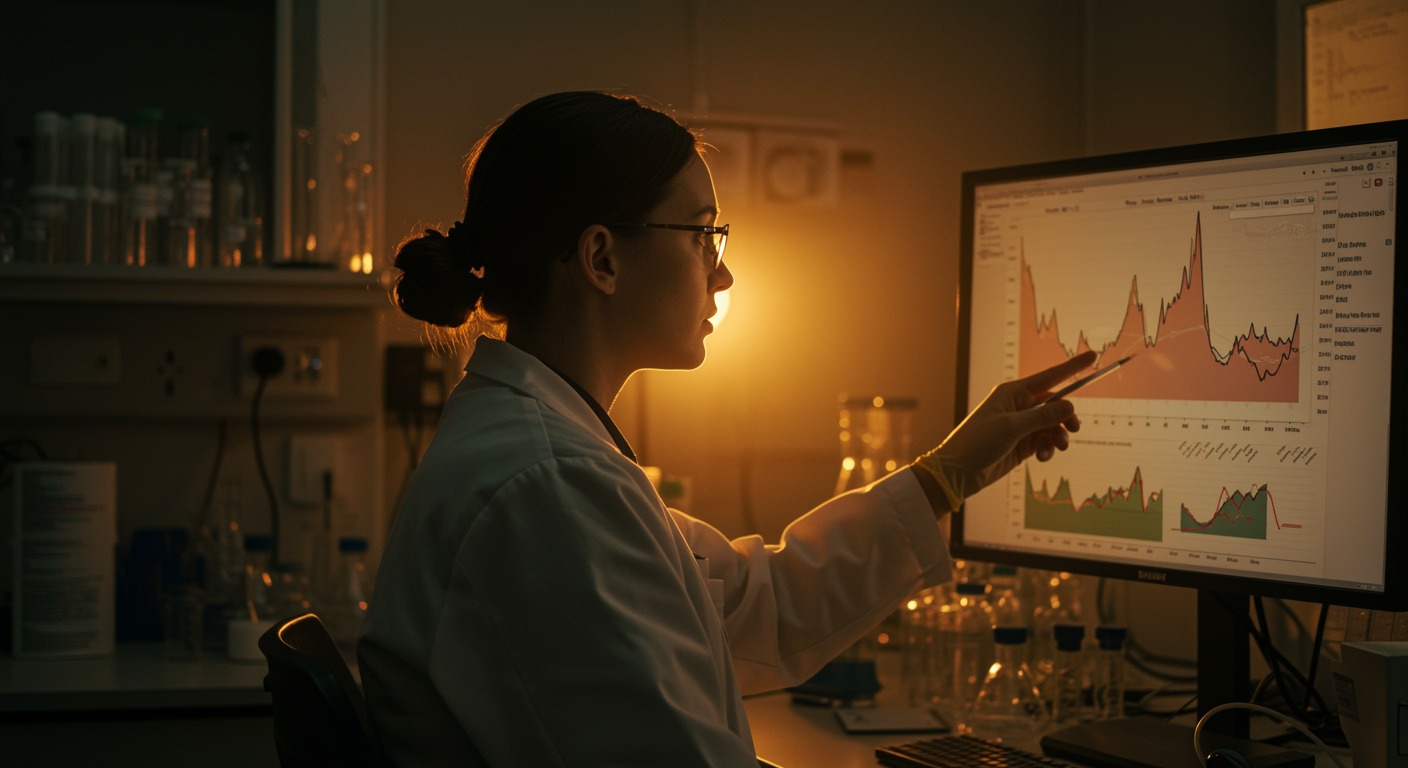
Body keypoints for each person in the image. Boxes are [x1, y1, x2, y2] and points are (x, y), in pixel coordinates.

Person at [359, 90, 1096, 767]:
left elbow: (752, 603)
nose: (723, 275)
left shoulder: (546, 451)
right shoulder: (546, 486)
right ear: (602, 259)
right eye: (702, 235)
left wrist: (947, 473)